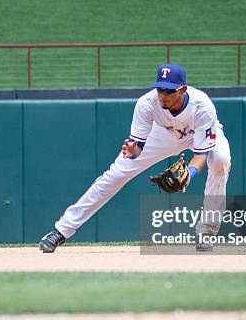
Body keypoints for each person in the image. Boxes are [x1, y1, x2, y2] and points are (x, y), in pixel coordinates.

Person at [39, 64, 231, 253]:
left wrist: (189, 173)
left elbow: (201, 154)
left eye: (169, 91)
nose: (163, 95)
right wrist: (132, 152)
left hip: (197, 133)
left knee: (221, 160)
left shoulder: (202, 106)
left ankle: (206, 232)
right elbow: (137, 148)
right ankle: (62, 230)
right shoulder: (147, 103)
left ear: (182, 89)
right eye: (160, 89)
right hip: (162, 133)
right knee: (116, 174)